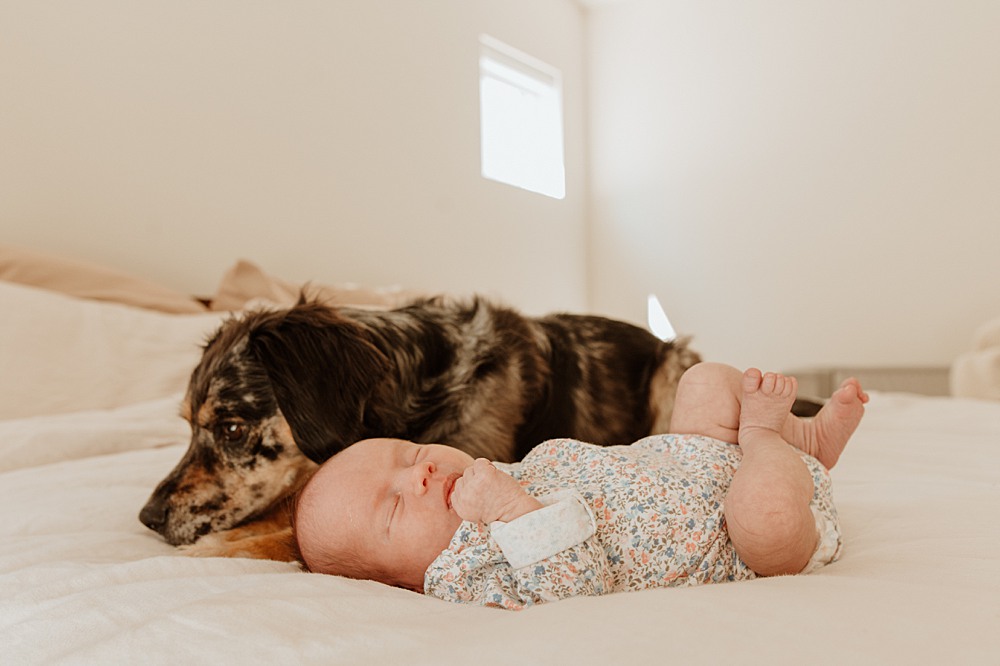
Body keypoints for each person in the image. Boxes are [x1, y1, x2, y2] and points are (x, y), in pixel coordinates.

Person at [292, 362, 869, 610]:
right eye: (393, 507)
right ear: (403, 584)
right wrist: (509, 509)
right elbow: (576, 587)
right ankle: (770, 438)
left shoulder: (497, 473)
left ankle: (806, 447)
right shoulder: (463, 574)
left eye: (411, 454)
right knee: (767, 521)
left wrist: (505, 488)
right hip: (735, 534)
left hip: (700, 461)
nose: (418, 474)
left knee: (706, 383)